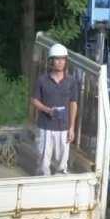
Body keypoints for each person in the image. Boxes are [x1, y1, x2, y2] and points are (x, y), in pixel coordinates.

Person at [31, 43, 79, 175]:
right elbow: (34, 100)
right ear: (51, 61)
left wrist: (72, 127)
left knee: (62, 166)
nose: (60, 62)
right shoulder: (42, 80)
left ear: (66, 61)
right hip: (45, 127)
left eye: (62, 59)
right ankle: (41, 185)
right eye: (57, 59)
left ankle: (60, 186)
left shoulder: (71, 81)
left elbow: (73, 103)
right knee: (43, 164)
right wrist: (47, 110)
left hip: (63, 128)